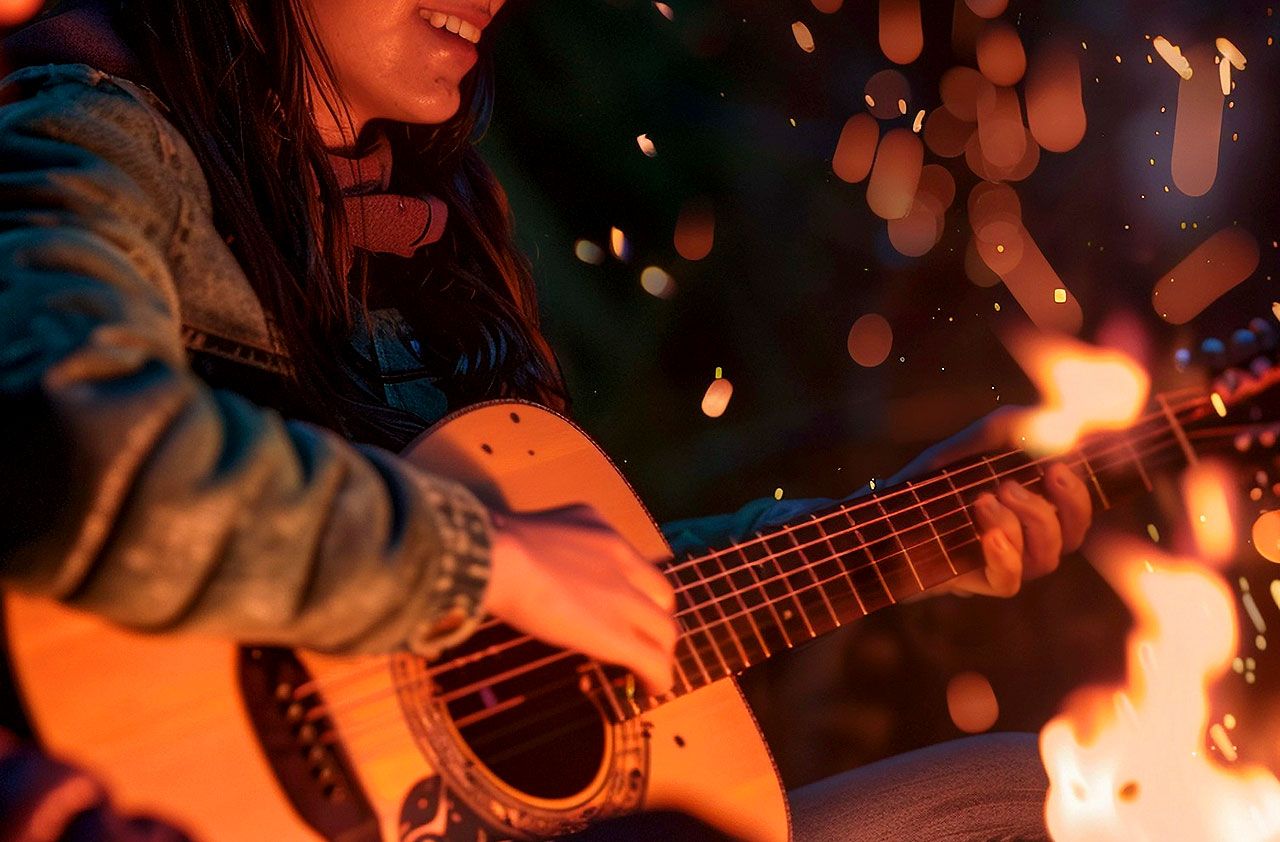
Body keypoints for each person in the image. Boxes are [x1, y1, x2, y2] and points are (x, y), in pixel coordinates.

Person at [0, 0, 1092, 838]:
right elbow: (71, 442)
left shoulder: (436, 228)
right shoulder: (101, 128)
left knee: (1043, 788)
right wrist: (480, 561)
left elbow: (567, 605)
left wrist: (889, 535)